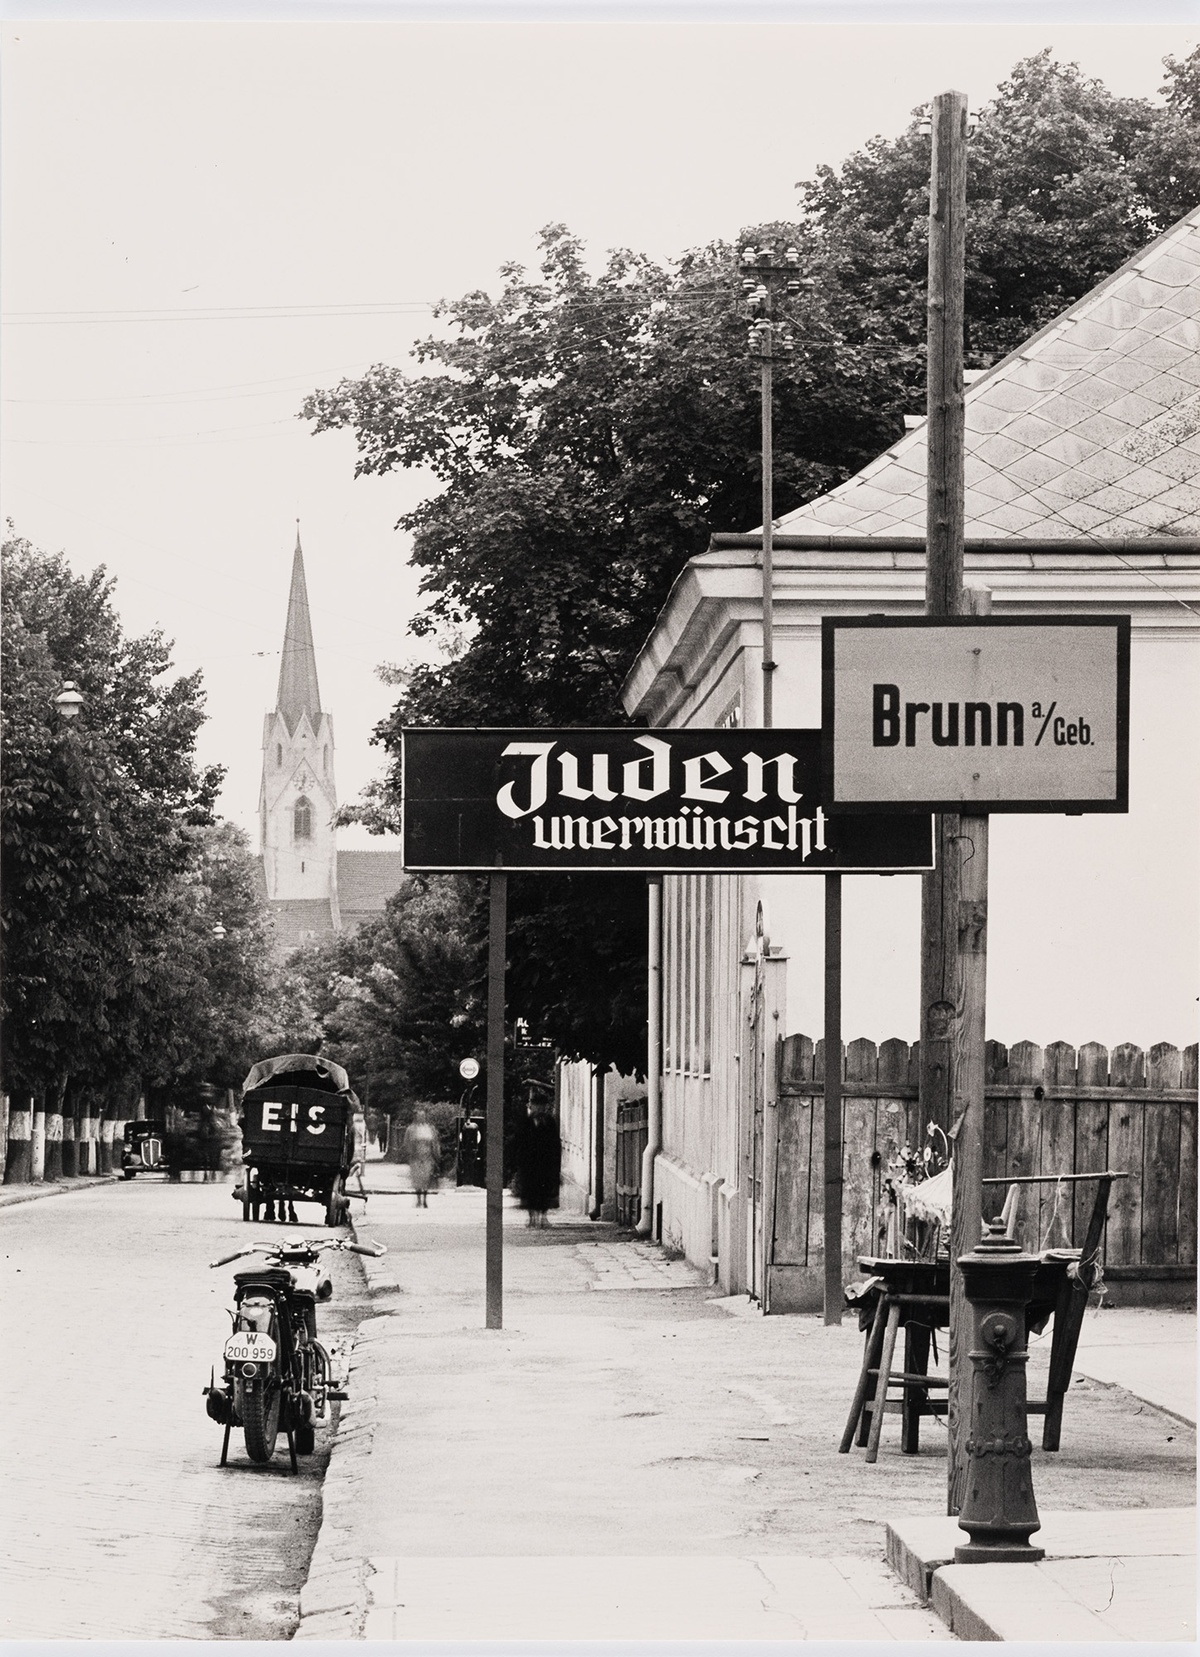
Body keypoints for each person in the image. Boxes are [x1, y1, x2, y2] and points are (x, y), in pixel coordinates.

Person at [514, 1089, 561, 1228]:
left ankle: (543, 1217)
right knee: (530, 1191)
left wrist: (555, 1161)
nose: (540, 1108)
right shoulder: (525, 1122)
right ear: (532, 1106)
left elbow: (554, 1142)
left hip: (545, 1162)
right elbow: (519, 1142)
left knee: (545, 1191)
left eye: (542, 1106)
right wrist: (520, 1161)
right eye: (537, 1105)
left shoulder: (550, 1122)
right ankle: (532, 1217)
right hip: (529, 1163)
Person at [402, 1107, 440, 1209]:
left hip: (427, 1156)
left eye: (423, 1116)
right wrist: (410, 1152)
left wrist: (436, 1154)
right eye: (419, 1116)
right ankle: (418, 1199)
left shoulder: (430, 1128)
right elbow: (407, 1143)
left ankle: (425, 1199)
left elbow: (435, 1142)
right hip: (416, 1156)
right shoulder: (411, 1129)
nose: (421, 1118)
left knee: (426, 1178)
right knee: (417, 1178)